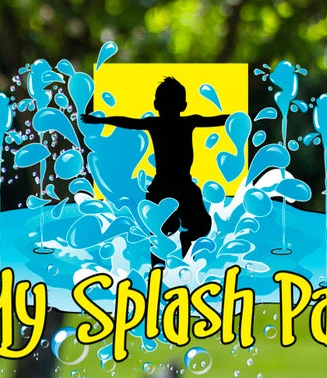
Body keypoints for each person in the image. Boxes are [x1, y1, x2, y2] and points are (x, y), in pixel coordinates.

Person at [82, 78, 228, 255]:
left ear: (156, 104)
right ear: (184, 105)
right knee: (191, 228)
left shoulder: (161, 123)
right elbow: (220, 119)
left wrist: (101, 120)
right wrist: (247, 119)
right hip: (174, 186)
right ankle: (181, 246)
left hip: (169, 187)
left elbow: (128, 122)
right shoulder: (182, 122)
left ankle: (167, 259)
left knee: (167, 232)